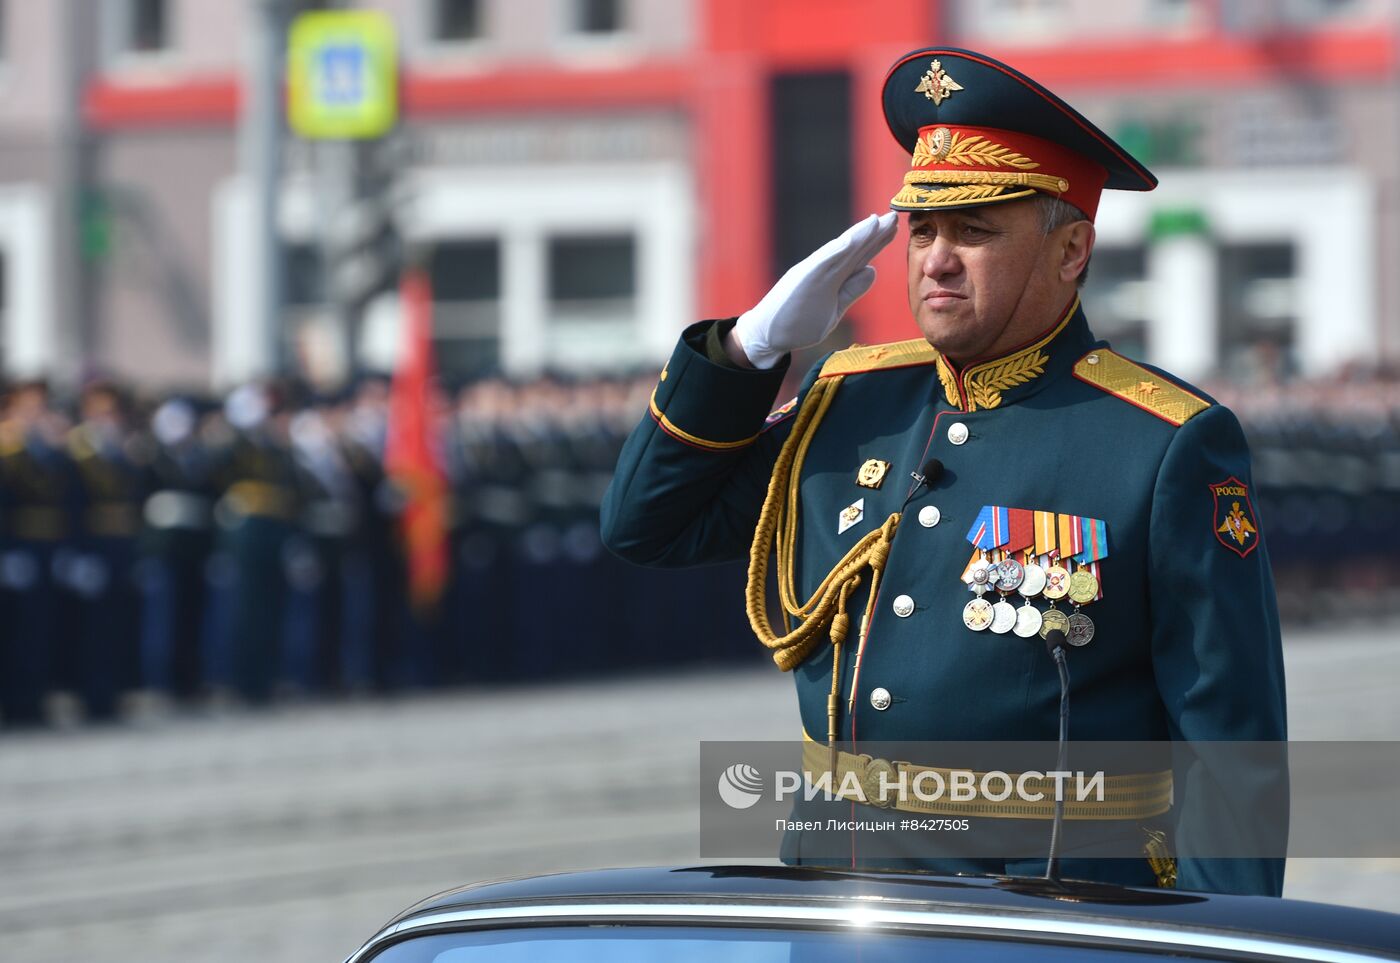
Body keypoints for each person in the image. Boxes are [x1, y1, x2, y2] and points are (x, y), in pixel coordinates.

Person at [601, 47, 1287, 895]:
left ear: (1071, 250)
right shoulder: (851, 402)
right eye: (922, 229)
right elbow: (644, 524)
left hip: (1045, 920)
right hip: (835, 907)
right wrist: (748, 350)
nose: (937, 259)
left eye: (976, 230)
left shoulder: (1163, 442)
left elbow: (1230, 749)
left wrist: (1224, 944)